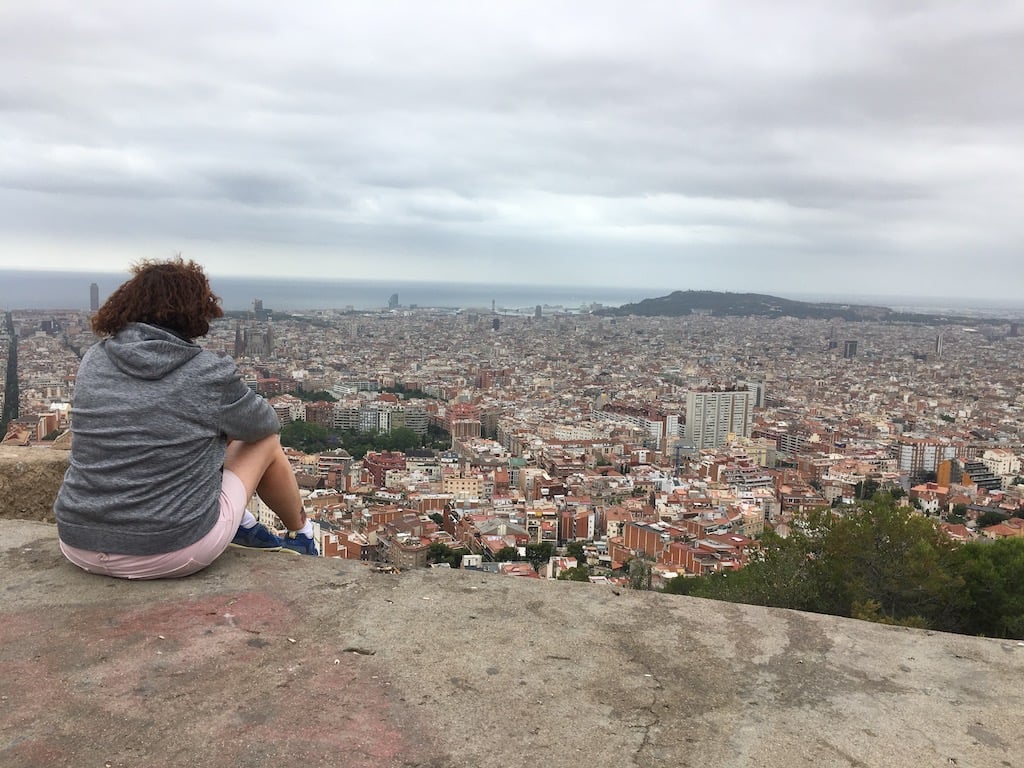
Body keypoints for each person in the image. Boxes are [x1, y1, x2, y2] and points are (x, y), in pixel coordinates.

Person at [54, 257, 318, 580]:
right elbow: (265, 423)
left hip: (77, 542)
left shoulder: (93, 359)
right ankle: (302, 535)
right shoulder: (206, 372)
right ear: (194, 313)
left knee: (214, 426)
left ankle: (243, 524)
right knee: (262, 439)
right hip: (169, 550)